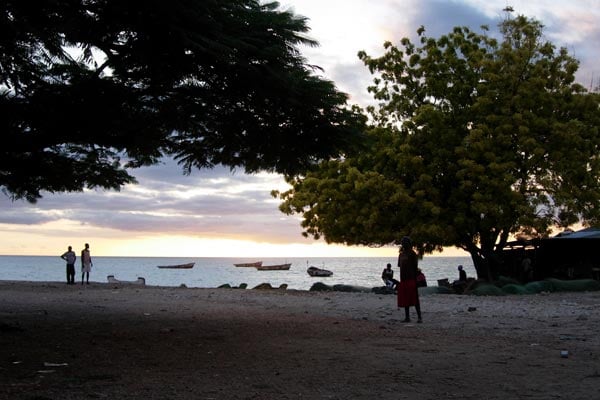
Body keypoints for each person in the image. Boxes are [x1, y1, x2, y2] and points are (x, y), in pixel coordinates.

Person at [397, 236, 422, 323]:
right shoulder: (401, 254)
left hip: (411, 279)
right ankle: (407, 317)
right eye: (402, 242)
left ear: (409, 243)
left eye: (405, 242)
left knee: (414, 299)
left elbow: (415, 268)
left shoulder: (412, 254)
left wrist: (416, 281)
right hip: (403, 280)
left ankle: (419, 317)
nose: (403, 244)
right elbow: (400, 267)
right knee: (405, 299)